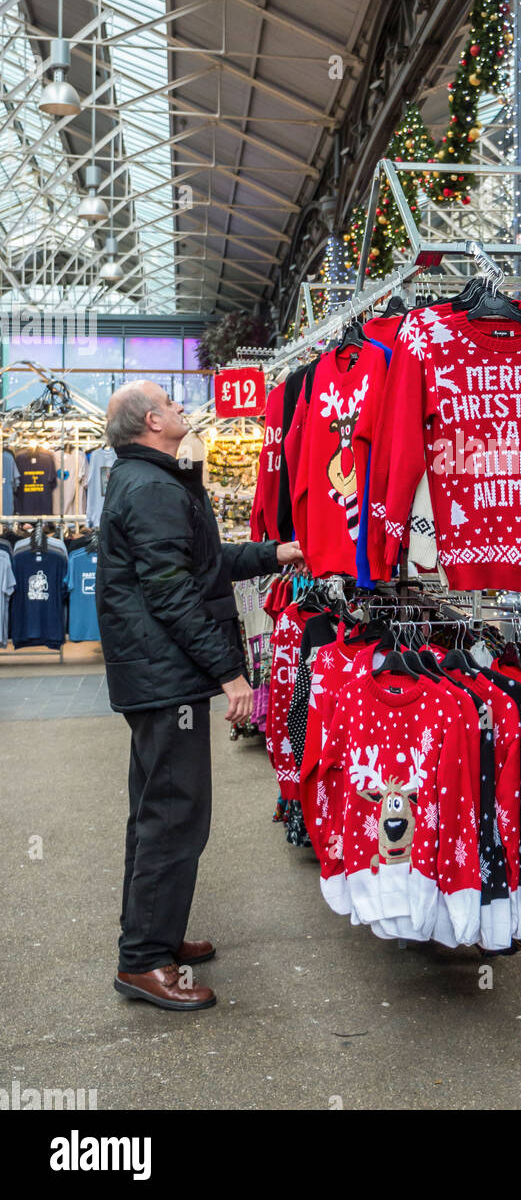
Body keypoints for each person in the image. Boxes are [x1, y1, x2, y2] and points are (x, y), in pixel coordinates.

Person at [96, 380, 301, 1011]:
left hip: (158, 676)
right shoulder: (153, 487)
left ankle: (154, 936)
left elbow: (201, 565)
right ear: (153, 420)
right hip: (166, 678)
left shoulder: (149, 480)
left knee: (159, 808)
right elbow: (171, 594)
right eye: (175, 404)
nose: (186, 410)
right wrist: (231, 674)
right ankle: (143, 961)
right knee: (174, 813)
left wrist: (276, 551)